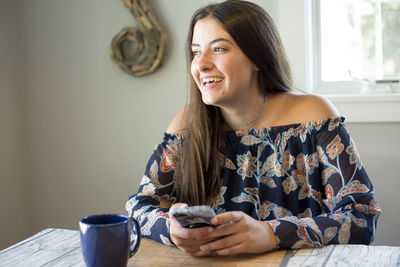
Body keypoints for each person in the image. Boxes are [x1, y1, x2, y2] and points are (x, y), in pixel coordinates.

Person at [126, 0, 380, 256]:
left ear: (258, 57)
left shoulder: (314, 117)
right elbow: (139, 208)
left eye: (219, 49)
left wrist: (270, 233)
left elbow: (361, 217)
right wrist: (170, 228)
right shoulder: (185, 127)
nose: (200, 64)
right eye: (195, 52)